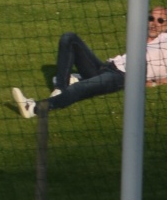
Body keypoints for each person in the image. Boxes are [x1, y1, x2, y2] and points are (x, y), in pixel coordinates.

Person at [11, 7, 167, 119]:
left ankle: (33, 108)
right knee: (69, 38)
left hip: (121, 77)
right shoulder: (144, 38)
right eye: (151, 18)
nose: (154, 23)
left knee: (79, 89)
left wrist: (154, 83)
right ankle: (60, 89)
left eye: (160, 20)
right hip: (106, 67)